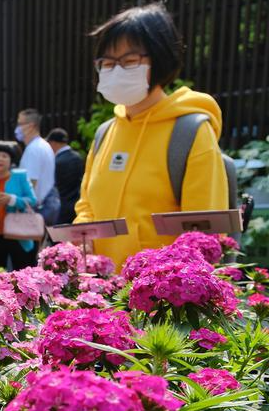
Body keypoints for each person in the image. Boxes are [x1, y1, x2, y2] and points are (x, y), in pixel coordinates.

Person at [74, 2, 227, 267]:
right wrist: (82, 239)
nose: (116, 70)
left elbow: (205, 234)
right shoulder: (105, 132)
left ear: (160, 59)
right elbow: (87, 205)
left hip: (163, 301)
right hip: (101, 294)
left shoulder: (190, 132)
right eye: (107, 63)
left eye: (130, 61)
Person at [0, 141, 38, 271]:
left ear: (11, 161)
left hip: (20, 234)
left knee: (24, 273)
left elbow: (32, 200)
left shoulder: (20, 176)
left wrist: (12, 200)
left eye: (4, 156)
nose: (0, 159)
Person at [16, 108, 59, 225]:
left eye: (20, 124)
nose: (17, 128)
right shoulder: (43, 145)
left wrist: (22, 208)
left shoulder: (33, 149)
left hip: (37, 210)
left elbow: (31, 183)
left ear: (31, 126)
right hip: (46, 206)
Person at [47, 128, 84, 224]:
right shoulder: (78, 157)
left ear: (53, 143)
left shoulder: (56, 161)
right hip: (77, 205)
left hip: (60, 207)